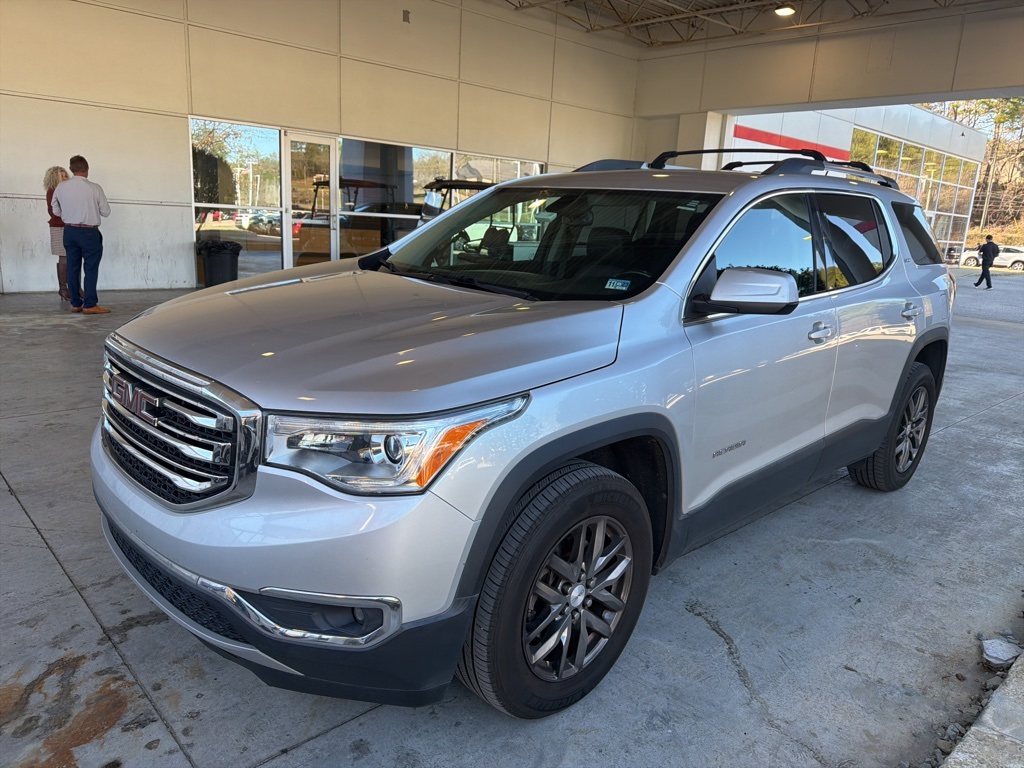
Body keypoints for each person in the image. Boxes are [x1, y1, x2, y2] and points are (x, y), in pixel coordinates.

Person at [51, 155, 111, 313]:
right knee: (90, 268)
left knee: (72, 267)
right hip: (89, 232)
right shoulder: (95, 188)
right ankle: (90, 305)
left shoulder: (61, 187)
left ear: (71, 170)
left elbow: (55, 209)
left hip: (69, 230)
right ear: (87, 170)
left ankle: (76, 303)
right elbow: (106, 212)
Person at [43, 166, 72, 303]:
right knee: (64, 256)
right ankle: (63, 289)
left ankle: (74, 288)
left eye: (66, 176)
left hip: (70, 226)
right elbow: (53, 211)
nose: (66, 179)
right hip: (59, 227)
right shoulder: (52, 191)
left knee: (74, 256)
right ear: (55, 178)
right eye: (62, 176)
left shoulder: (69, 191)